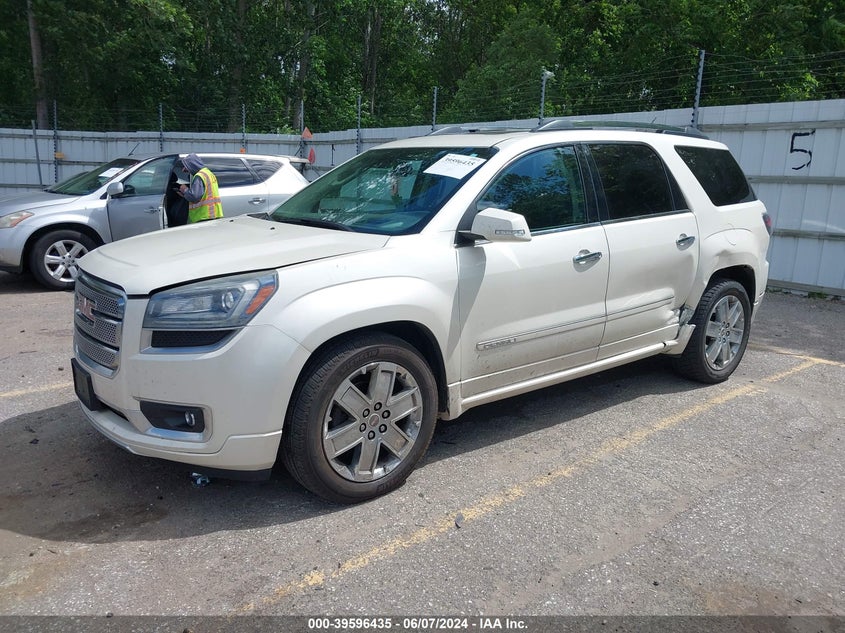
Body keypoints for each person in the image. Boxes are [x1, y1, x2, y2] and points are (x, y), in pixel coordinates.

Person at [178, 153, 223, 222]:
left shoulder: (199, 176)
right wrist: (185, 195)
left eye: (185, 166)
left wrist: (185, 190)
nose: (184, 170)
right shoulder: (208, 173)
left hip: (204, 216)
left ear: (191, 165)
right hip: (213, 214)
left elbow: (195, 197)